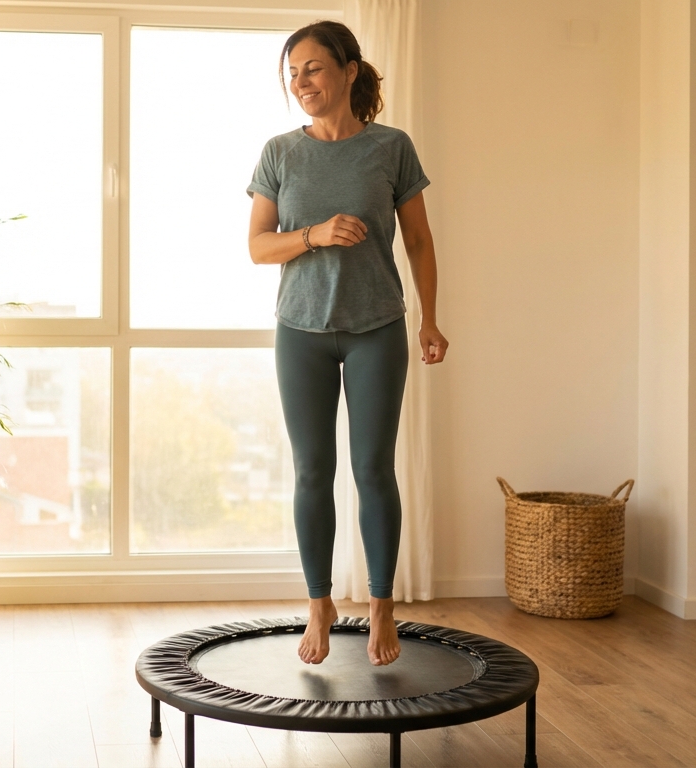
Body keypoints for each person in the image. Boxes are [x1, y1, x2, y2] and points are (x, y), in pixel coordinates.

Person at [246, 20, 447, 667]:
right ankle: (318, 603)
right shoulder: (280, 152)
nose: (302, 82)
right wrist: (314, 234)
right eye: (293, 73)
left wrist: (430, 319)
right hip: (300, 331)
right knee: (312, 471)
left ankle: (383, 606)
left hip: (376, 328)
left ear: (349, 71)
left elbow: (418, 239)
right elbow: (257, 246)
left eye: (314, 69)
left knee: (371, 470)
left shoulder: (391, 148)